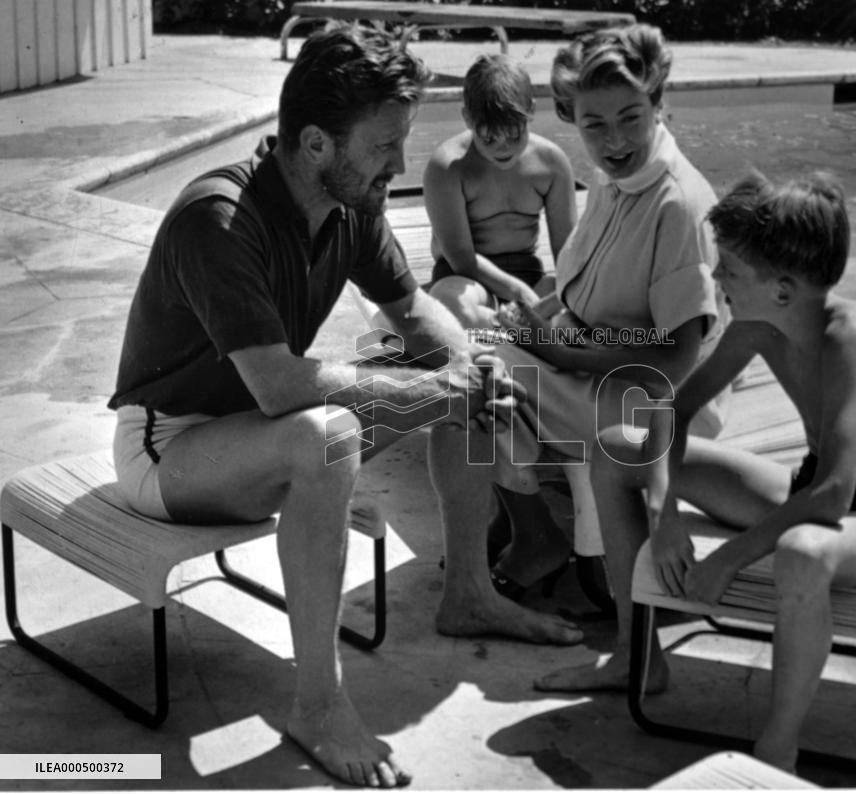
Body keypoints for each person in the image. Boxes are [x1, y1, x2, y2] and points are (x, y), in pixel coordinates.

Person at [107, 25, 576, 789]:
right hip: (172, 448)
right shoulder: (219, 218)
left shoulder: (349, 204)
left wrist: (471, 370)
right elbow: (279, 386)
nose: (401, 164)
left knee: (455, 366)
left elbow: (413, 308)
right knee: (325, 434)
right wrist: (442, 389)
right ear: (317, 144)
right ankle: (318, 706)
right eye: (385, 145)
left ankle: (469, 592)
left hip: (261, 428)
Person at [553, 170, 856, 773]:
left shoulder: (853, 336)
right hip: (806, 488)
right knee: (614, 450)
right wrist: (664, 512)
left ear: (782, 289)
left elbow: (836, 495)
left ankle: (777, 750)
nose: (714, 277)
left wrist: (729, 559)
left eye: (728, 268)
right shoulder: (759, 326)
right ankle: (637, 658)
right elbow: (672, 411)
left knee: (802, 553)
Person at [428, 24, 729, 605]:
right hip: (592, 368)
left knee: (469, 384)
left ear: (658, 103)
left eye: (630, 117)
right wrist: (534, 326)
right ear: (571, 118)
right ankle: (519, 517)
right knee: (464, 349)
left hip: (648, 403)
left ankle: (531, 531)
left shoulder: (676, 205)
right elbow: (583, 295)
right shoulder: (617, 180)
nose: (613, 140)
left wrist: (557, 349)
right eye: (594, 124)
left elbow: (675, 361)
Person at [423, 53, 577, 328]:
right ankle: (520, 330)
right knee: (449, 303)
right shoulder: (447, 167)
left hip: (529, 276)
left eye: (515, 135)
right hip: (465, 279)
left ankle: (507, 329)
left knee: (582, 302)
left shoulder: (551, 163)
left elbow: (567, 253)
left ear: (531, 111)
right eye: (489, 138)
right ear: (467, 118)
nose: (503, 147)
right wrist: (519, 293)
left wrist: (559, 300)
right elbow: (460, 257)